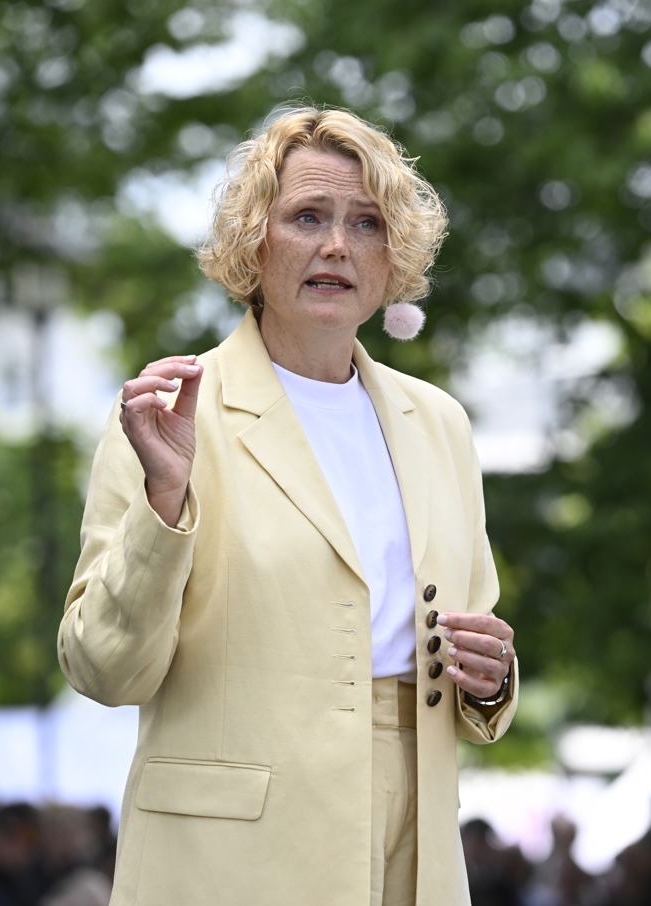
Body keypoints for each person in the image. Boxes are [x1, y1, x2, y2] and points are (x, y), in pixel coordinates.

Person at [59, 106, 519, 905]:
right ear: (254, 240)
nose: (337, 245)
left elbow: (469, 647)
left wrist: (491, 677)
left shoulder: (440, 423)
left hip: (416, 850)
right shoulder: (173, 411)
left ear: (392, 257)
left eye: (366, 223)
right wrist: (164, 506)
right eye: (308, 216)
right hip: (232, 864)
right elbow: (103, 668)